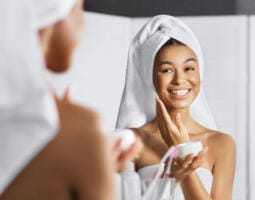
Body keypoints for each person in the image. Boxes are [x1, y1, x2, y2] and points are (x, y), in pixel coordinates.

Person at [0, 0, 141, 199]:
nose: (83, 22)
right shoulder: (83, 130)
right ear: (52, 14)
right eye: (79, 8)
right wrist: (95, 167)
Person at [117, 15, 236, 199]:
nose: (180, 80)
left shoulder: (221, 144)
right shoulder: (131, 141)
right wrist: (171, 174)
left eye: (189, 68)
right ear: (150, 76)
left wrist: (182, 150)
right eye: (167, 70)